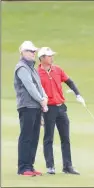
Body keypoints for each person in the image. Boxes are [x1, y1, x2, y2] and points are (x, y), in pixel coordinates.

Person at [37, 47, 86, 175]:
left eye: (52, 56)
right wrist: (40, 113)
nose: (51, 58)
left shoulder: (57, 70)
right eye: (49, 56)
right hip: (48, 109)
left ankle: (67, 166)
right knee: (49, 138)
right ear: (41, 58)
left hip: (61, 108)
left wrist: (78, 94)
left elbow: (69, 82)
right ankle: (50, 166)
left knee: (65, 138)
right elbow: (35, 94)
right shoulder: (36, 73)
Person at [14, 41, 48, 176]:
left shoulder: (32, 68)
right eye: (30, 51)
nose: (33, 53)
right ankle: (23, 168)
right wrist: (42, 100)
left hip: (36, 106)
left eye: (34, 51)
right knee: (26, 137)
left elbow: (39, 86)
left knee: (34, 137)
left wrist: (44, 98)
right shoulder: (21, 68)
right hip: (27, 106)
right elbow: (30, 87)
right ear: (22, 52)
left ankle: (30, 166)